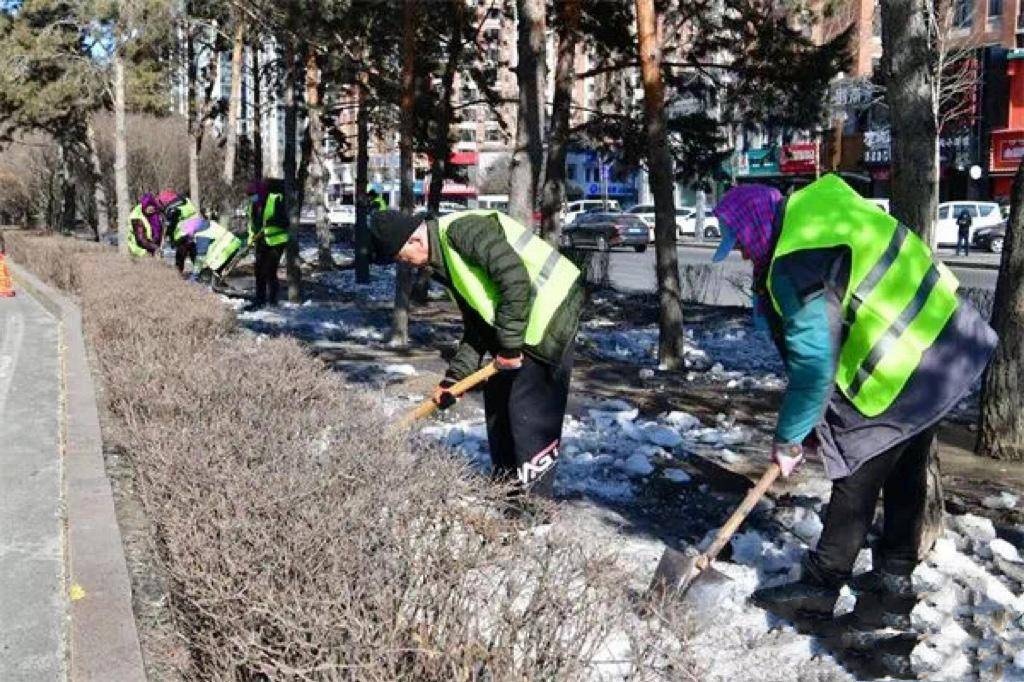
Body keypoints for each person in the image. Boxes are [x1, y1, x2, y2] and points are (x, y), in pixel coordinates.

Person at [709, 176, 996, 619]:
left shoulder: (795, 259)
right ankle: (895, 574)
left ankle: (821, 587)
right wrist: (806, 428)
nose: (744, 253)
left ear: (756, 225)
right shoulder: (821, 206)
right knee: (906, 466)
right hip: (946, 341)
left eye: (741, 241)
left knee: (855, 465)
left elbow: (814, 367)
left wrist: (788, 439)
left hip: (905, 365)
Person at [368, 209, 583, 502]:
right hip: (519, 321)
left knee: (527, 413)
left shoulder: (463, 231)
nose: (405, 264)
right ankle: (507, 494)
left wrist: (508, 346)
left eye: (401, 257)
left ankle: (533, 508)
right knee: (497, 403)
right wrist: (454, 380)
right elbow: (478, 326)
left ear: (415, 240)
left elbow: (515, 279)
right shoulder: (445, 259)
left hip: (550, 315)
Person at [245, 179, 289, 307]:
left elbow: (285, 222)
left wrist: (271, 222)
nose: (252, 198)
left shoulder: (275, 200)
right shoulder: (253, 206)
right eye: (250, 196)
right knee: (258, 271)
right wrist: (251, 240)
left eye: (253, 195)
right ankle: (260, 299)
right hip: (261, 241)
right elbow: (251, 224)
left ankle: (273, 300)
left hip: (276, 241)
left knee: (270, 270)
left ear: (261, 192)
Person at [167, 214, 243, 285]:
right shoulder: (201, 225)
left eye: (185, 239)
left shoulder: (202, 234)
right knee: (207, 263)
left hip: (227, 248)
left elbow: (201, 256)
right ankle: (213, 279)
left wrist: (194, 276)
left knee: (208, 262)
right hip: (231, 244)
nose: (187, 242)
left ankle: (211, 281)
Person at [127, 192, 165, 258]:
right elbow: (141, 239)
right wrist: (155, 248)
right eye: (149, 207)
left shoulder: (154, 215)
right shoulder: (136, 217)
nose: (151, 209)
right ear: (145, 206)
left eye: (153, 207)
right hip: (139, 251)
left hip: (152, 250)